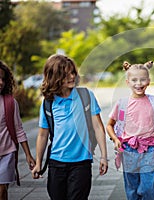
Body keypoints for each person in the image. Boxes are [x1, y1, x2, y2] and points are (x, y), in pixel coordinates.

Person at [31, 54, 108, 200]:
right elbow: (43, 135)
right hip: (56, 163)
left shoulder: (86, 95)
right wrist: (38, 163)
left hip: (81, 163)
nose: (72, 77)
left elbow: (98, 127)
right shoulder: (48, 103)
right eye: (66, 75)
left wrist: (104, 157)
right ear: (54, 77)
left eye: (73, 72)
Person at [106, 61, 154, 200]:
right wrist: (115, 139)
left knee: (147, 187)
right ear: (127, 82)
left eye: (143, 79)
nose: (139, 83)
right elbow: (110, 125)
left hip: (150, 149)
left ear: (149, 81)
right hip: (128, 150)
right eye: (134, 80)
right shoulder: (122, 104)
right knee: (131, 188)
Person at [0, 60, 35, 200]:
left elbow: (19, 130)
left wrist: (28, 155)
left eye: (3, 78)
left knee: (2, 190)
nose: (1, 82)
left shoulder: (10, 103)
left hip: (7, 154)